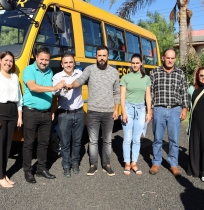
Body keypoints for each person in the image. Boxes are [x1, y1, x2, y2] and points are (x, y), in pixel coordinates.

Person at [68, 45, 120, 176]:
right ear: (96, 56)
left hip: (108, 111)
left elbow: (117, 92)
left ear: (108, 56)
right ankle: (93, 164)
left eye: (104, 55)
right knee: (93, 140)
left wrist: (116, 109)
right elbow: (80, 80)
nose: (101, 58)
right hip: (93, 111)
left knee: (107, 140)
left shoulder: (114, 72)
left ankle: (106, 164)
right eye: (99, 55)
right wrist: (71, 85)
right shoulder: (90, 69)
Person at [22, 47, 65, 184]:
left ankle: (41, 168)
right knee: (28, 143)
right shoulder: (29, 70)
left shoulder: (50, 71)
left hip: (46, 114)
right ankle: (28, 171)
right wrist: (54, 87)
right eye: (42, 59)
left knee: (44, 143)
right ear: (36, 57)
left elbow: (51, 96)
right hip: (31, 112)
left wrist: (52, 111)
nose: (44, 62)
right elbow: (33, 87)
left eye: (47, 59)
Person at [149, 48, 189, 176]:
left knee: (174, 140)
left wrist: (184, 108)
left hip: (175, 110)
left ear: (175, 59)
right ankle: (156, 162)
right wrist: (149, 109)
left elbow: (184, 92)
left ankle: (173, 164)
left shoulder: (180, 73)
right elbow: (150, 92)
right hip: (159, 109)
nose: (170, 60)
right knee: (157, 138)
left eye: (172, 58)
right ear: (163, 58)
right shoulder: (154, 73)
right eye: (168, 58)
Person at [0, 51, 23, 188]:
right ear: (0, 60)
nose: (8, 63)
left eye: (11, 61)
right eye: (6, 60)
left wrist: (19, 116)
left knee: (7, 146)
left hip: (13, 112)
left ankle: (3, 174)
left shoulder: (14, 77)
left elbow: (19, 99)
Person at [52, 53, 84, 177]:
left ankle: (75, 163)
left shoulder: (80, 74)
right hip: (64, 114)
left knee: (77, 141)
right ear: (62, 64)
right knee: (65, 142)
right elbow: (54, 93)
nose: (69, 65)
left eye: (71, 62)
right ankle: (66, 165)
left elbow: (83, 82)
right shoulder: (57, 76)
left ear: (74, 63)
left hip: (79, 112)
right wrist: (59, 87)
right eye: (66, 62)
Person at [120, 53, 152, 176]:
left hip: (140, 109)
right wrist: (123, 112)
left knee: (137, 139)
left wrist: (149, 111)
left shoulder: (146, 78)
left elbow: (148, 96)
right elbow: (122, 97)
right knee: (127, 138)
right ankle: (127, 163)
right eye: (133, 63)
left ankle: (134, 162)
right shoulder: (125, 78)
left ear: (141, 63)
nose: (135, 65)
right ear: (130, 64)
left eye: (137, 63)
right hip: (128, 108)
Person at [186, 67, 204, 181]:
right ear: (197, 76)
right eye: (201, 75)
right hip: (195, 122)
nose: (203, 77)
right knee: (194, 145)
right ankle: (194, 170)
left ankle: (203, 172)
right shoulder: (192, 89)